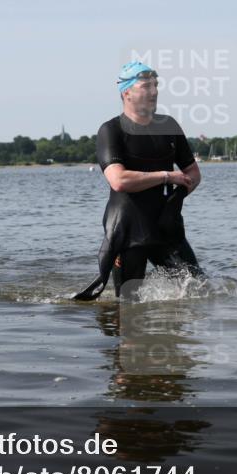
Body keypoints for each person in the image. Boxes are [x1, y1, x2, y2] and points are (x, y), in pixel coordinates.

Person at [73, 61, 203, 301]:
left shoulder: (169, 126)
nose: (154, 91)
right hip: (129, 228)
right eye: (146, 86)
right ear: (127, 92)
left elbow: (193, 172)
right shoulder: (111, 130)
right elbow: (119, 180)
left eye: (156, 85)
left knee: (198, 289)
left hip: (165, 224)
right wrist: (167, 177)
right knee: (128, 303)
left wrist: (179, 194)